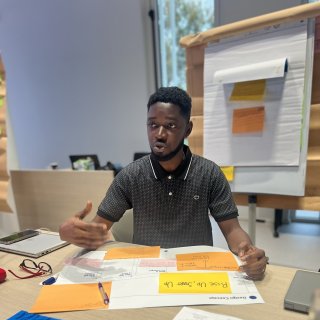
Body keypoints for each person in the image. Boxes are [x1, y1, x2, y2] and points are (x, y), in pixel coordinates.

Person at [59, 86, 268, 280]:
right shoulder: (131, 175)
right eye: (153, 125)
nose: (159, 134)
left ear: (187, 129)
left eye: (170, 125)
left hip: (195, 272)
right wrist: (74, 233)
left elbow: (232, 229)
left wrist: (246, 250)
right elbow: (99, 227)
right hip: (144, 272)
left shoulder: (209, 173)